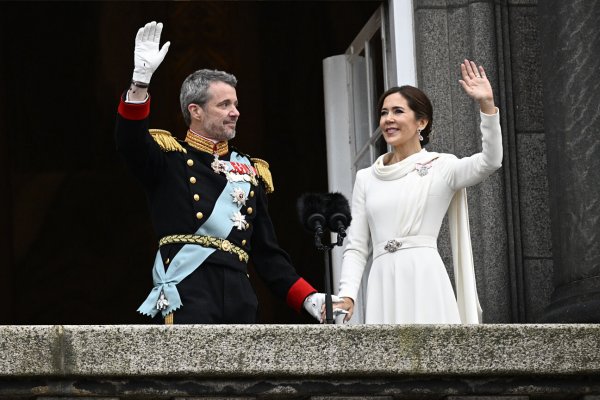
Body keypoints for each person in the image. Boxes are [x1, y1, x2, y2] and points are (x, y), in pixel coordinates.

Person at [115, 21, 332, 324]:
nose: (236, 112)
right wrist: (140, 82)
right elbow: (129, 140)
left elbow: (268, 254)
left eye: (236, 104)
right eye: (225, 104)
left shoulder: (250, 172)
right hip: (186, 291)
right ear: (196, 110)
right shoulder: (168, 160)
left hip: (239, 297)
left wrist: (309, 298)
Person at [331, 60, 502, 324]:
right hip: (382, 280)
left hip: (424, 277)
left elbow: (490, 161)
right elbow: (356, 245)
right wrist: (347, 295)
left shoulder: (441, 166)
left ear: (421, 122)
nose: (388, 119)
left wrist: (486, 106)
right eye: (384, 112)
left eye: (398, 111)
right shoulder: (366, 178)